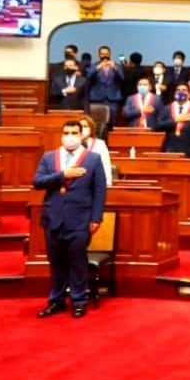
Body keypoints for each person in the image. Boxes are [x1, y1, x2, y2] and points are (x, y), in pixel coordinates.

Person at [34, 120, 107, 320]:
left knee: (77, 261)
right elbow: (37, 182)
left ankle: (78, 301)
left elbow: (99, 191)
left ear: (81, 134)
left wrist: (96, 217)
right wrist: (62, 174)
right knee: (56, 262)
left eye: (74, 132)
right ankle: (56, 301)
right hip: (53, 218)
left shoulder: (92, 159)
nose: (70, 136)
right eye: (66, 132)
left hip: (80, 220)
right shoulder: (49, 157)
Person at [155, 85, 190, 158]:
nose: (180, 92)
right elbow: (157, 126)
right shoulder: (167, 108)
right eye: (178, 90)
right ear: (174, 94)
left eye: (184, 90)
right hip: (169, 149)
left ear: (189, 95)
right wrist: (175, 120)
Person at [77, 113, 114, 187]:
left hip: (96, 182)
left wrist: (107, 183)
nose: (82, 129)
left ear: (91, 129)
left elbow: (105, 164)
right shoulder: (72, 144)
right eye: (80, 127)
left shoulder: (100, 144)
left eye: (85, 126)